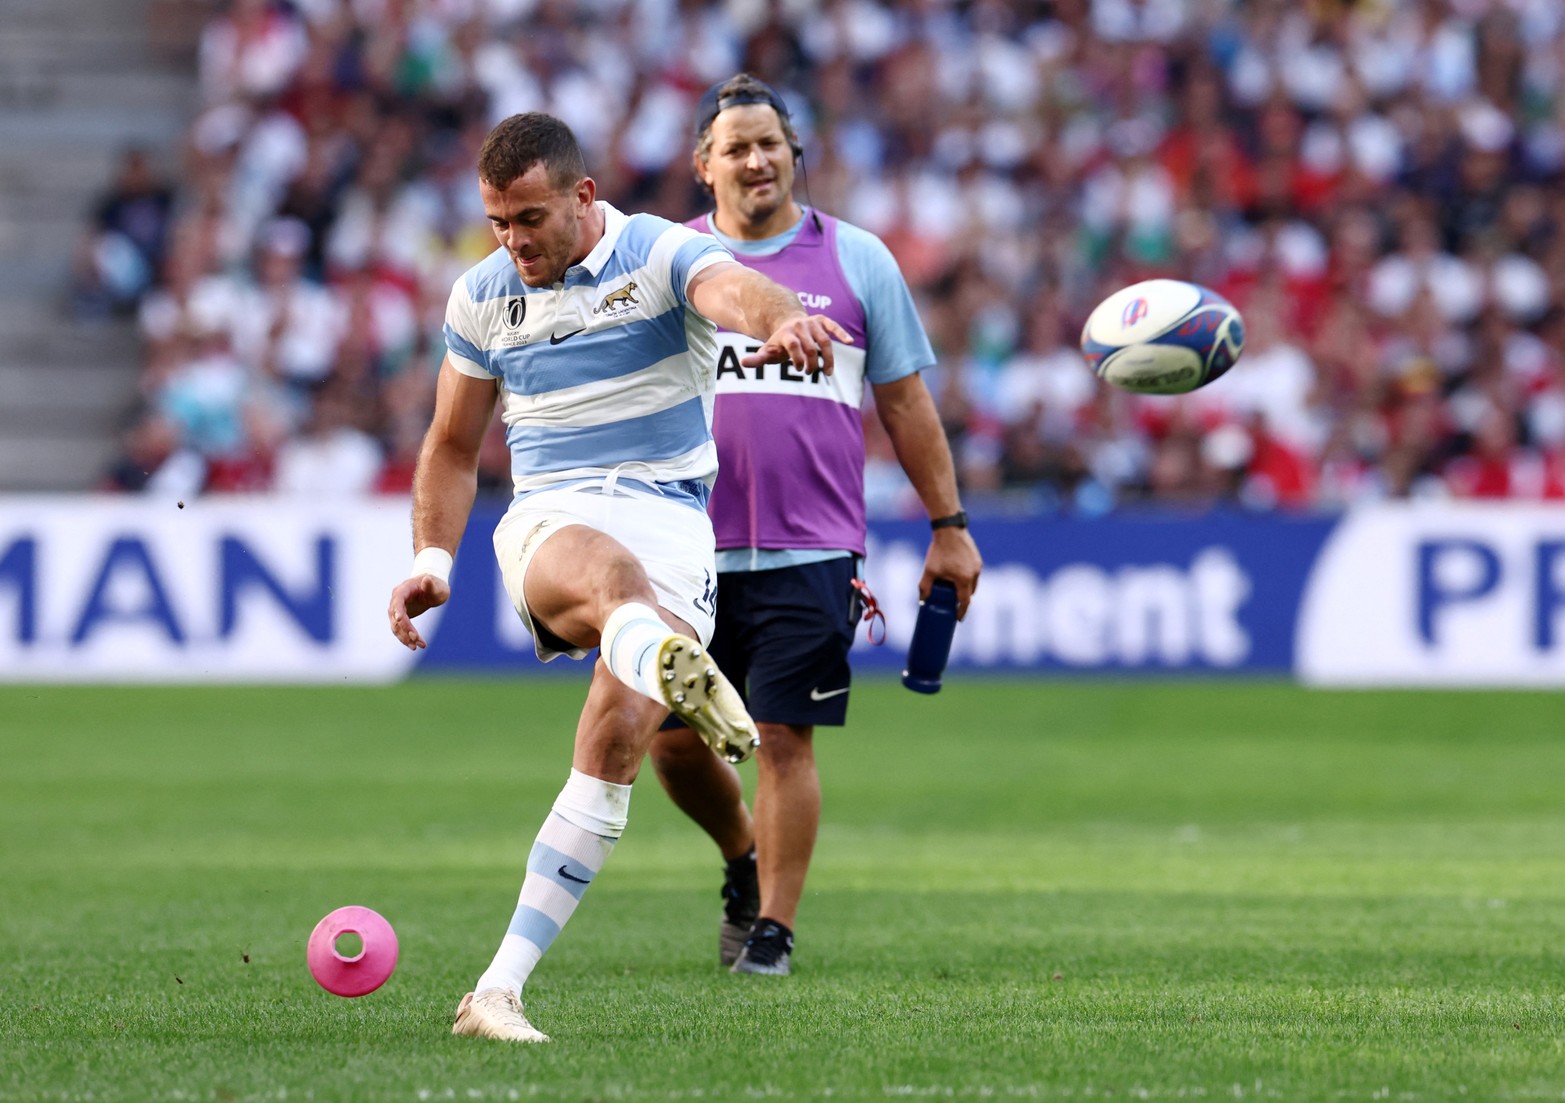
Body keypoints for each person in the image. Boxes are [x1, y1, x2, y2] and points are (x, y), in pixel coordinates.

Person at [386, 111, 849, 1043]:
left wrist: (784, 318)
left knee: (613, 748)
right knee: (606, 578)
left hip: (675, 523)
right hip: (553, 516)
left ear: (582, 198)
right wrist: (432, 559)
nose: (511, 242)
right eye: (496, 222)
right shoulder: (482, 296)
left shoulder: (656, 251)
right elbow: (448, 445)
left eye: (528, 220)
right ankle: (666, 653)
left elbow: (732, 291)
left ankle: (496, 990)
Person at [647, 75, 984, 976]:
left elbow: (907, 404)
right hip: (683, 545)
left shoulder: (857, 259)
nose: (757, 160)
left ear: (795, 155)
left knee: (782, 735)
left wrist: (949, 525)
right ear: (702, 165)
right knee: (670, 741)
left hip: (812, 543)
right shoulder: (668, 261)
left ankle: (772, 930)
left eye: (771, 144)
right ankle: (740, 855)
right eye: (737, 147)